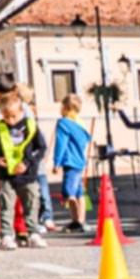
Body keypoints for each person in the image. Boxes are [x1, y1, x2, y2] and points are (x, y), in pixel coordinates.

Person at [0, 85, 48, 250]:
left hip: (28, 174)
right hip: (6, 175)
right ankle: (6, 235)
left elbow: (40, 148)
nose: (10, 120)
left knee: (31, 203)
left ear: (21, 111)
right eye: (6, 116)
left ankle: (33, 232)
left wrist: (27, 162)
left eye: (13, 116)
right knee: (6, 204)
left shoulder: (31, 126)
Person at [51, 98, 93, 234]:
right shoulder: (79, 123)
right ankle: (82, 220)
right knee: (79, 192)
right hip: (79, 161)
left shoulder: (63, 123)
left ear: (65, 107)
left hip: (70, 161)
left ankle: (76, 221)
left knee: (69, 192)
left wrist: (57, 162)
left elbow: (61, 143)